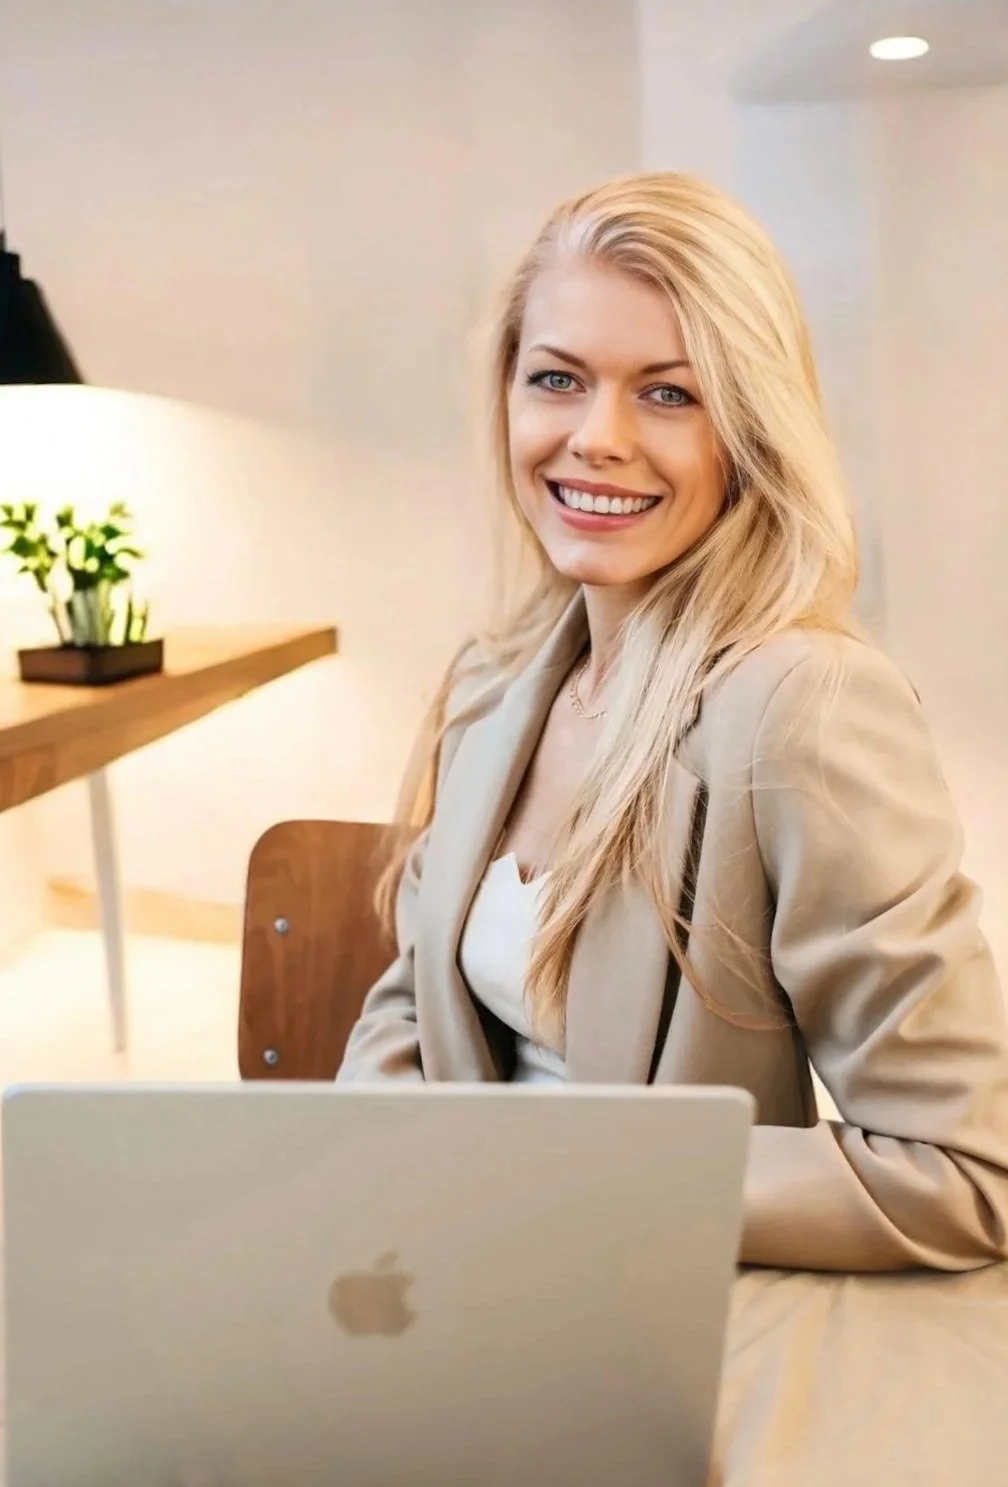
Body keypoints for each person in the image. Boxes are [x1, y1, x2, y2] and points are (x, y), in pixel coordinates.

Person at [337, 171, 1008, 1273]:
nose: (596, 437)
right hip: (457, 1274)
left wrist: (579, 1184)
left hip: (665, 1301)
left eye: (668, 393)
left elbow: (964, 1169)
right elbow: (412, 999)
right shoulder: (494, 680)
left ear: (749, 428)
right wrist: (375, 1175)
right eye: (557, 378)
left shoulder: (805, 706)